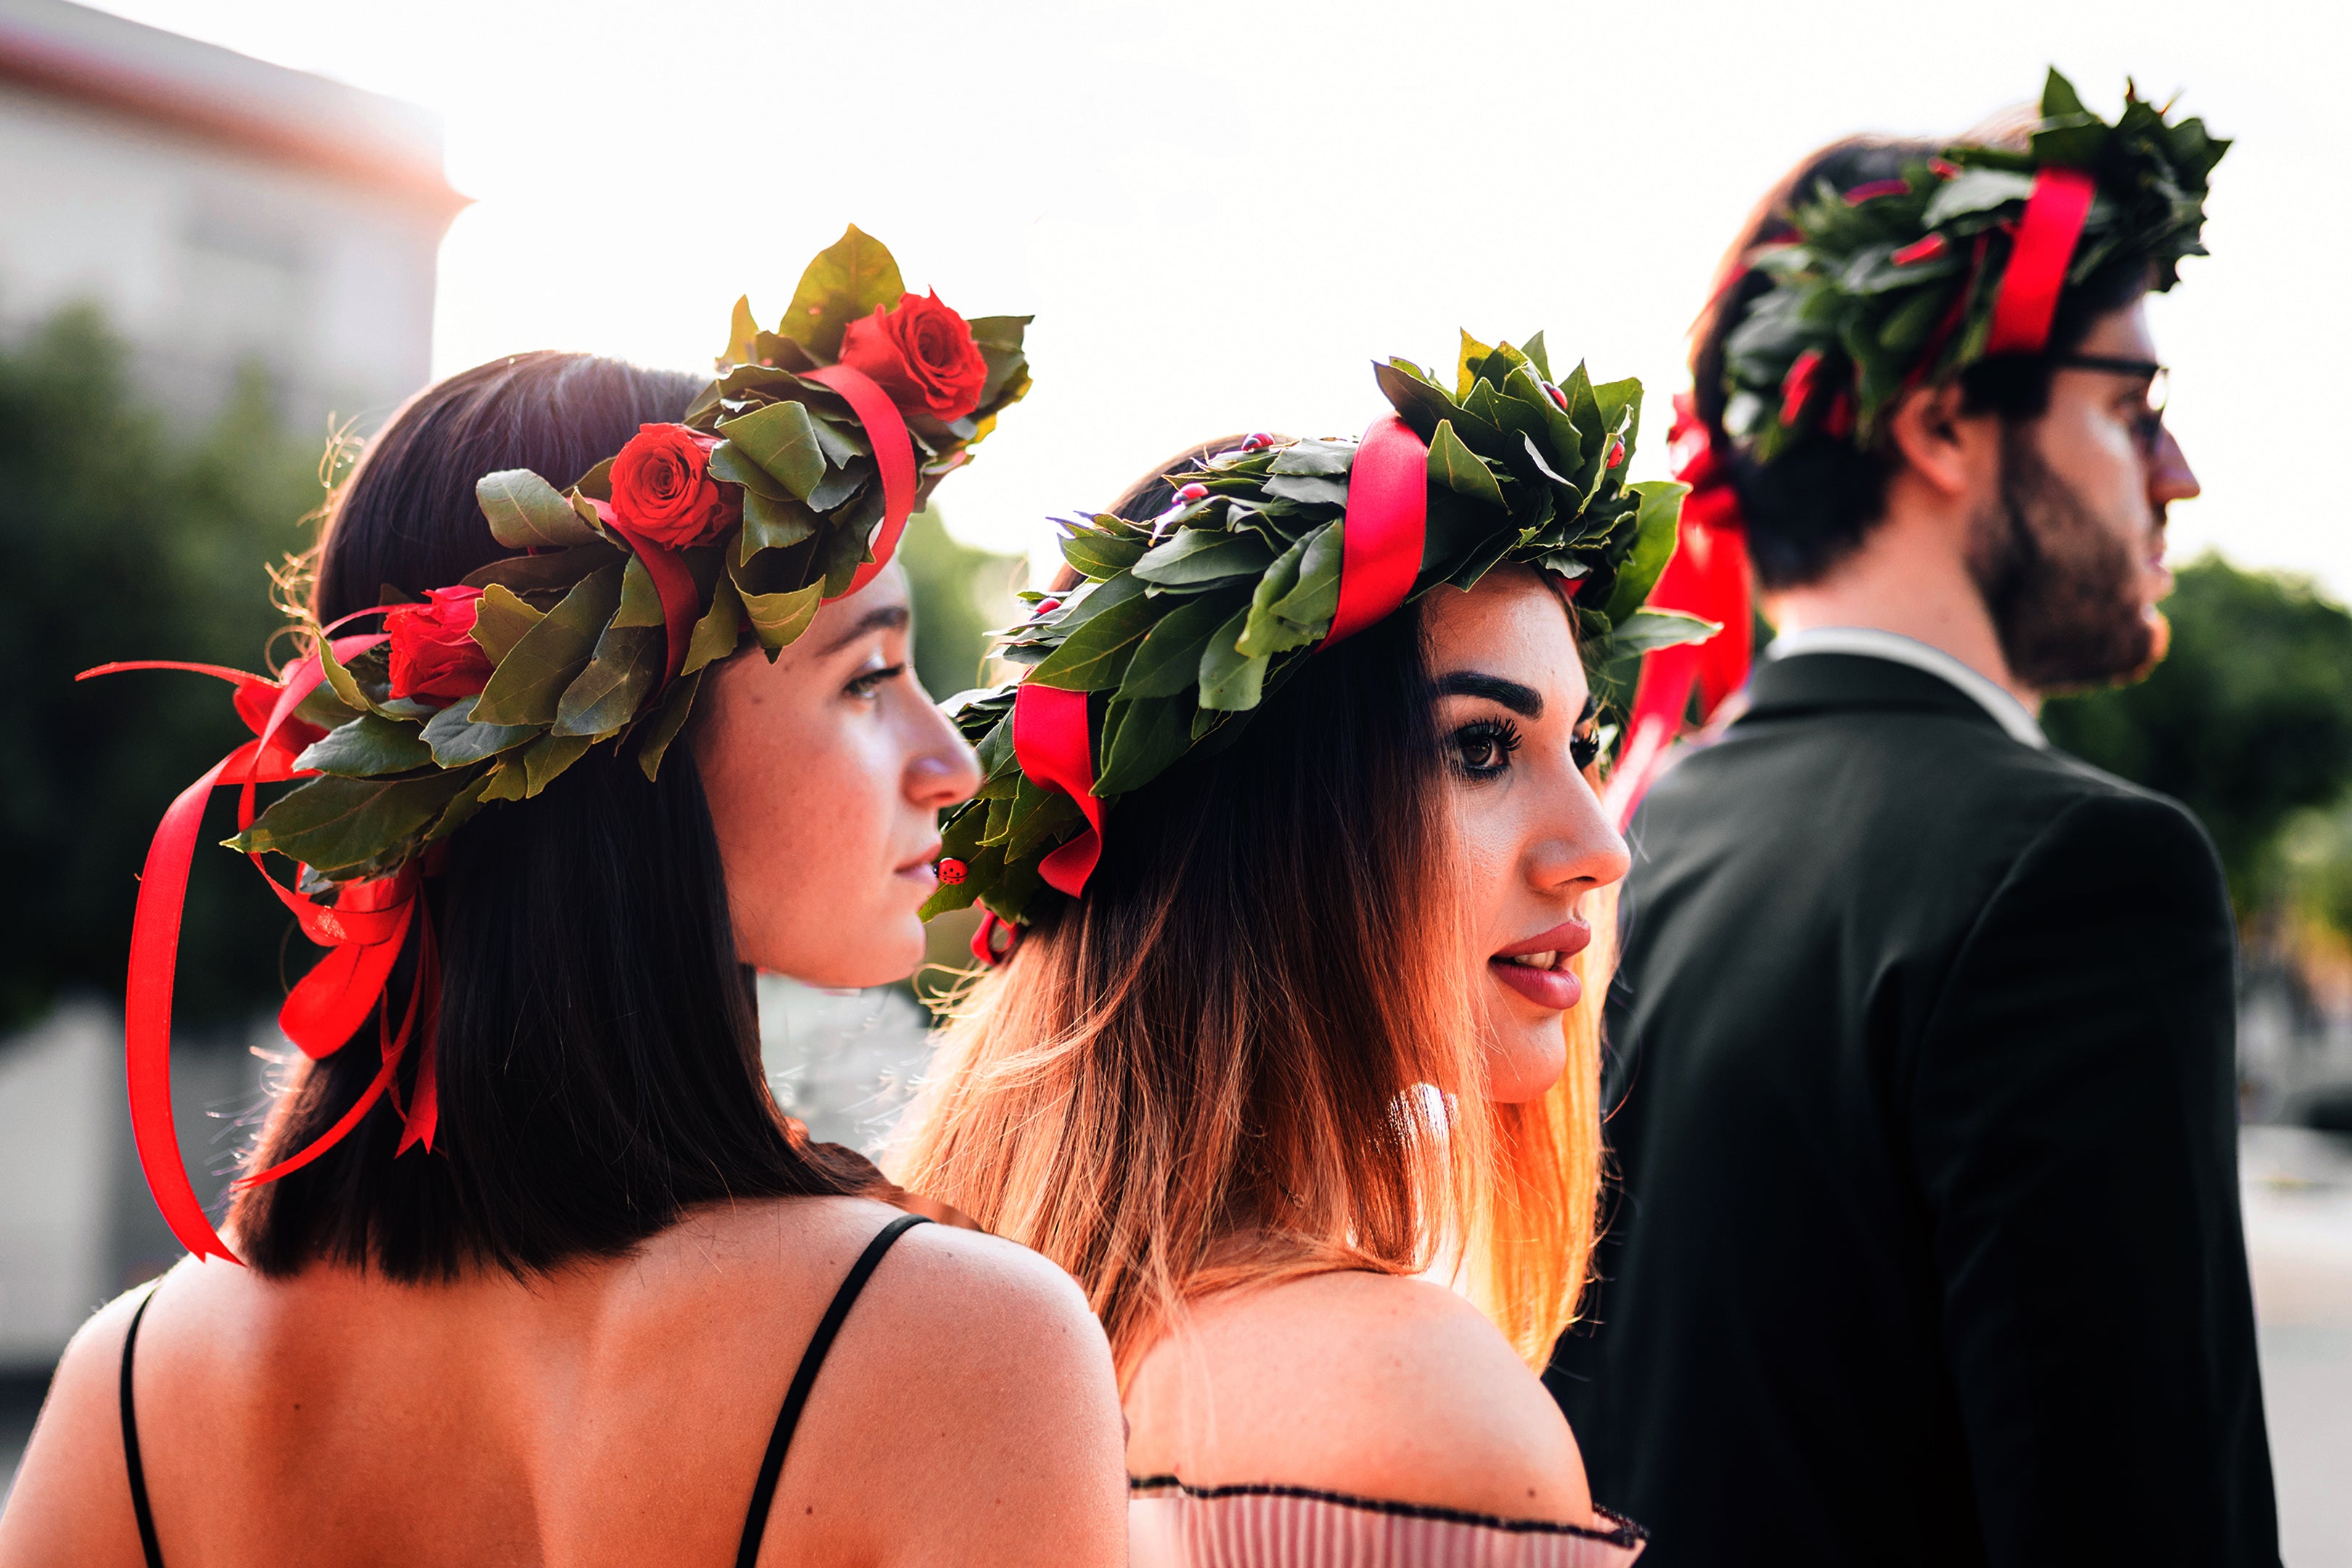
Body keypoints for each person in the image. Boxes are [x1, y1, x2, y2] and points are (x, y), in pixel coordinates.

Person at [0, 231, 1127, 1568]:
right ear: (617, 750)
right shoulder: (961, 1346)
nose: (950, 764)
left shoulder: (127, 1388)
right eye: (870, 678)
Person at [1545, 75, 2279, 1566]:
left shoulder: (1621, 847)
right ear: (1947, 421)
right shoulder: (2082, 872)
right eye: (2131, 407)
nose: (2178, 476)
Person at [899, 336, 1708, 1564]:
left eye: (1582, 749)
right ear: (1259, 832)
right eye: (1483, 748)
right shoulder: (1408, 1400)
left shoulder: (931, 1331)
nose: (1601, 847)